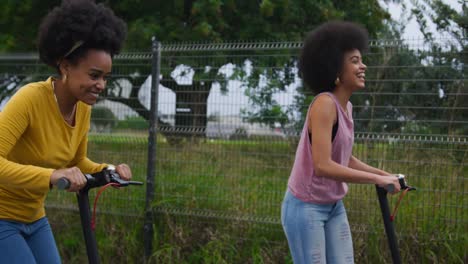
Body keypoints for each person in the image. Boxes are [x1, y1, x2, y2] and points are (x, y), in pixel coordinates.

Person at [0, 0, 130, 263]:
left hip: (34, 217)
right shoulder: (30, 99)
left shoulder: (82, 108)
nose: (101, 85)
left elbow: (76, 162)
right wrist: (52, 175)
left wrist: (109, 170)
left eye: (105, 77)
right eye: (94, 75)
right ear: (65, 66)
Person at [281, 21, 401, 264]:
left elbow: (344, 158)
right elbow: (323, 165)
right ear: (336, 67)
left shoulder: (346, 107)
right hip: (306, 208)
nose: (363, 65)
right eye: (355, 61)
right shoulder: (324, 104)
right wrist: (377, 180)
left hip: (333, 205)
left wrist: (386, 174)